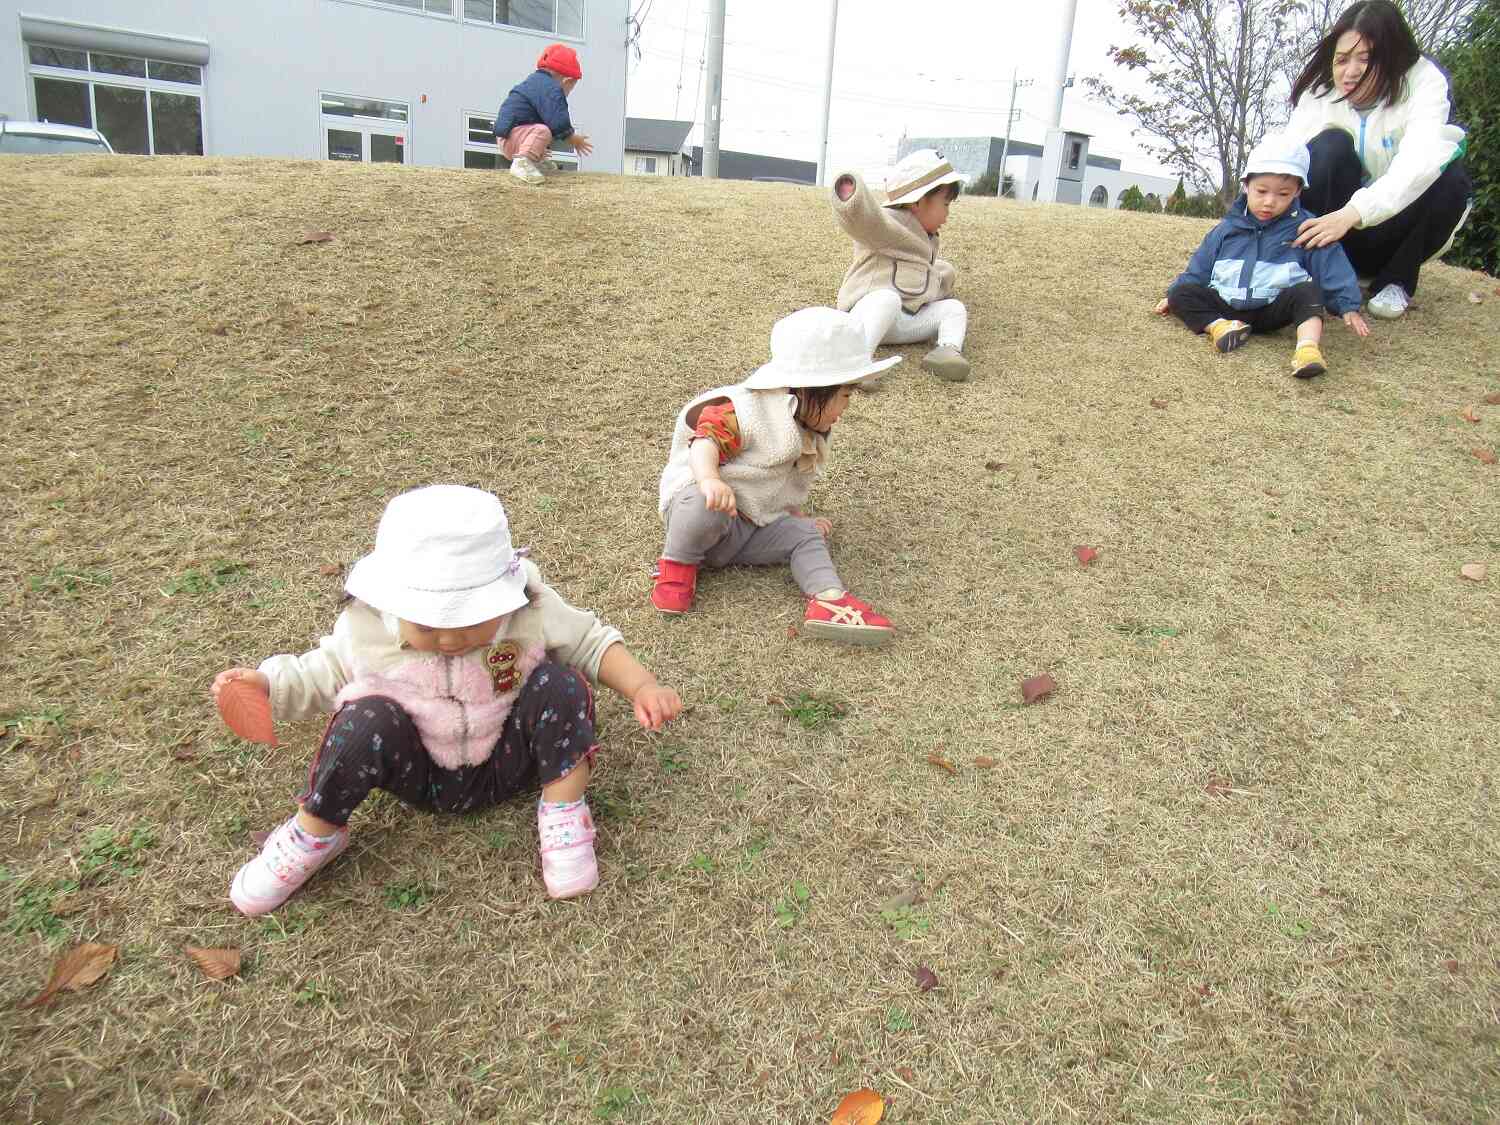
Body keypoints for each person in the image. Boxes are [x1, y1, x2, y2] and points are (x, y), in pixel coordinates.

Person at [214, 485, 681, 915]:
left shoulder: (530, 608)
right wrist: (265, 685)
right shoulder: (366, 627)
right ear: (394, 606)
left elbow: (590, 642)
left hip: (508, 761)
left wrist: (642, 685)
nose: (451, 639)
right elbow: (317, 673)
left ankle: (562, 811)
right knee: (364, 717)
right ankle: (316, 831)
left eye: (470, 622)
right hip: (417, 768)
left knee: (561, 684)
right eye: (430, 626)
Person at [652, 307, 900, 645]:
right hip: (709, 515)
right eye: (844, 395)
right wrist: (710, 479)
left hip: (752, 528)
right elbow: (704, 439)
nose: (846, 407)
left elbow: (776, 482)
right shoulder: (747, 409)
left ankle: (828, 599)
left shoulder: (807, 424)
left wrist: (792, 517)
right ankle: (677, 567)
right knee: (700, 505)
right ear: (814, 388)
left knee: (806, 535)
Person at [1285, 0, 1472, 320]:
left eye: (1366, 59)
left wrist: (1353, 213)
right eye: (1342, 60)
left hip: (1390, 230)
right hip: (1330, 233)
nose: (1351, 71)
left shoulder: (1424, 83)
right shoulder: (1320, 94)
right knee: (1329, 146)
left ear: (1393, 58)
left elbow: (1418, 161)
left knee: (1450, 176)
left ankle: (1395, 280)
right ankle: (1313, 265)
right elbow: (1286, 160)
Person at [1155, 134, 1370, 379]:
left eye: (1283, 194)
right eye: (1262, 191)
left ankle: (1307, 350)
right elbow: (1200, 267)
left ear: (1298, 191)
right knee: (1182, 293)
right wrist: (1173, 296)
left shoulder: (1305, 227)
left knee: (1308, 292)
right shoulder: (1226, 228)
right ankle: (1219, 328)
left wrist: (1347, 305)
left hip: (1271, 309)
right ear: (1246, 185)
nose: (1269, 202)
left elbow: (1332, 266)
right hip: (1225, 304)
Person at [829, 149, 971, 382]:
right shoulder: (889, 224)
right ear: (917, 201)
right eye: (945, 204)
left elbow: (931, 276)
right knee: (887, 299)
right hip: (867, 318)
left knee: (954, 308)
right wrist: (850, 196)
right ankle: (858, 362)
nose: (947, 213)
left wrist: (946, 277)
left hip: (903, 322)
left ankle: (947, 351)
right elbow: (865, 220)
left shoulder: (927, 239)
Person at [492, 43, 594, 186]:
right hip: (512, 137)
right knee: (543, 131)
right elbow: (558, 121)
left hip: (509, 136)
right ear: (567, 80)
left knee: (543, 129)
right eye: (571, 88)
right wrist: (573, 138)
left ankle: (534, 161)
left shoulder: (534, 82)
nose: (569, 92)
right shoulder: (551, 89)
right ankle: (522, 163)